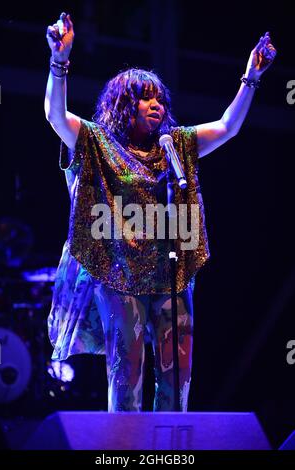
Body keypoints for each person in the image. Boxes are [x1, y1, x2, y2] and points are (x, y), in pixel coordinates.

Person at [45, 12, 276, 412]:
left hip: (171, 271)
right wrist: (59, 60)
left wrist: (250, 78)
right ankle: (126, 449)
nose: (157, 105)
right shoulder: (98, 143)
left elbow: (226, 127)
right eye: (146, 97)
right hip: (117, 270)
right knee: (128, 367)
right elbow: (55, 115)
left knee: (177, 373)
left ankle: (171, 449)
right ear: (123, 103)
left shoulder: (177, 144)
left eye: (160, 99)